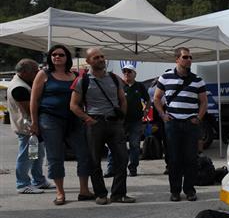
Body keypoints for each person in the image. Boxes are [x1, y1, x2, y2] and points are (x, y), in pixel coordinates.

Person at [30, 45, 94, 205]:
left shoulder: (75, 75)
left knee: (84, 153)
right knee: (55, 156)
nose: (57, 57)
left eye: (61, 54)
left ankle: (84, 190)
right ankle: (60, 192)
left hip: (74, 119)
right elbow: (34, 100)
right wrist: (34, 122)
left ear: (67, 57)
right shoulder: (43, 74)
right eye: (53, 55)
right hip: (50, 119)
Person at [70, 47, 134, 205]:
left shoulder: (114, 78)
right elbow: (73, 105)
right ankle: (101, 194)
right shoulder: (82, 80)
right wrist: (88, 119)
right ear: (88, 61)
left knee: (123, 158)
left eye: (102, 56)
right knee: (94, 160)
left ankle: (118, 194)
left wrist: (121, 118)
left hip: (114, 123)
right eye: (96, 57)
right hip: (95, 123)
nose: (100, 59)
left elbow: (123, 100)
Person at [153, 47, 207, 202]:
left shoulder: (197, 80)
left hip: (191, 124)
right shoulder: (165, 78)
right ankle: (175, 191)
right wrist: (163, 115)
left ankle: (190, 190)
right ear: (177, 59)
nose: (189, 59)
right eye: (185, 57)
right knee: (174, 159)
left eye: (190, 57)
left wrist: (199, 118)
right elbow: (156, 98)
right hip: (173, 124)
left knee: (191, 158)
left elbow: (204, 102)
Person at [7, 58, 52, 194]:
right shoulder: (19, 88)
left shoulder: (23, 82)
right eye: (35, 71)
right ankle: (22, 184)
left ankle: (38, 181)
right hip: (27, 128)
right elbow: (30, 110)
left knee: (37, 155)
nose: (38, 73)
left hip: (32, 128)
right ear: (25, 72)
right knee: (26, 156)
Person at [105, 64, 150, 177]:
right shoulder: (119, 86)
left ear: (135, 74)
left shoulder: (139, 86)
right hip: (120, 121)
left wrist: (146, 109)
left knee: (134, 145)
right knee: (114, 144)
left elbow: (148, 100)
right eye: (124, 71)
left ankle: (133, 168)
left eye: (129, 71)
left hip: (136, 121)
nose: (126, 73)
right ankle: (111, 168)